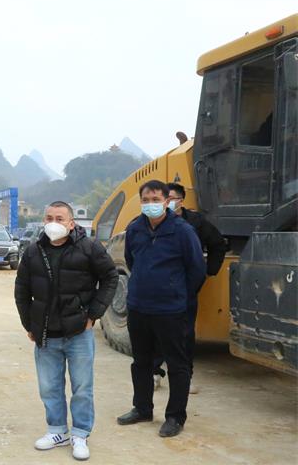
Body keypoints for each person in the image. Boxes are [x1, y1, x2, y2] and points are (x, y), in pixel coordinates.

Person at [15, 201, 118, 461]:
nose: (54, 223)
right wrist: (29, 324)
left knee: (82, 387)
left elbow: (110, 277)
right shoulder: (34, 251)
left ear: (71, 223)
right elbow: (22, 290)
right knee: (49, 387)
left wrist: (94, 314)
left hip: (78, 332)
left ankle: (80, 434)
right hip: (46, 334)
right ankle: (57, 431)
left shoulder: (89, 247)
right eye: (49, 217)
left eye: (60, 218)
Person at [117, 180, 205, 438]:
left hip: (171, 310)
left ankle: (175, 417)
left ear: (167, 201)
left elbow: (196, 269)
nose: (150, 204)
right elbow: (131, 260)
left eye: (156, 200)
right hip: (139, 307)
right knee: (141, 362)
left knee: (177, 364)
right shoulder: (135, 229)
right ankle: (142, 408)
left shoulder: (183, 231)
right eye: (146, 200)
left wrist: (178, 295)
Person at [153, 182, 227, 389]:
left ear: (181, 200)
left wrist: (209, 271)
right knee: (156, 330)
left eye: (171, 198)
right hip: (157, 288)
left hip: (185, 288)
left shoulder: (195, 222)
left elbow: (218, 244)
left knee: (184, 333)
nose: (166, 202)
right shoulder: (150, 222)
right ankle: (154, 371)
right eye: (164, 198)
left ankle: (185, 376)